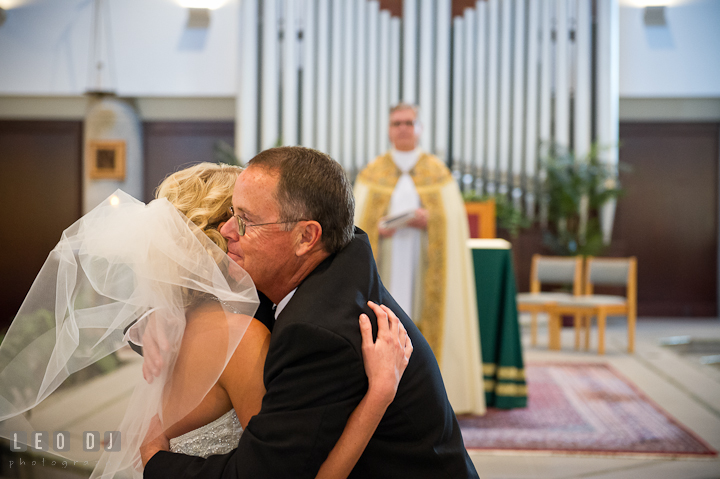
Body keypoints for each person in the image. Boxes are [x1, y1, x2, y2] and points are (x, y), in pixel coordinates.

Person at [0, 163, 411, 479]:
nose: (239, 229)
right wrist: (381, 394)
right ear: (221, 239)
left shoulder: (176, 324)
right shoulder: (243, 338)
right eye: (237, 218)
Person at [142, 147, 480, 478]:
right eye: (229, 215)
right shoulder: (324, 259)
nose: (229, 231)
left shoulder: (317, 332)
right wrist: (161, 312)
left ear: (307, 236)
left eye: (244, 219)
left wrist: (155, 461)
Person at [354, 103, 486, 415]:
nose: (403, 128)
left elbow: (452, 222)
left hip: (423, 266)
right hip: (386, 265)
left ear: (420, 128)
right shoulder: (372, 173)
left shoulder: (437, 173)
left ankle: (433, 392)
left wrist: (432, 221)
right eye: (397, 123)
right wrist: (377, 228)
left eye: (409, 123)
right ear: (389, 129)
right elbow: (357, 223)